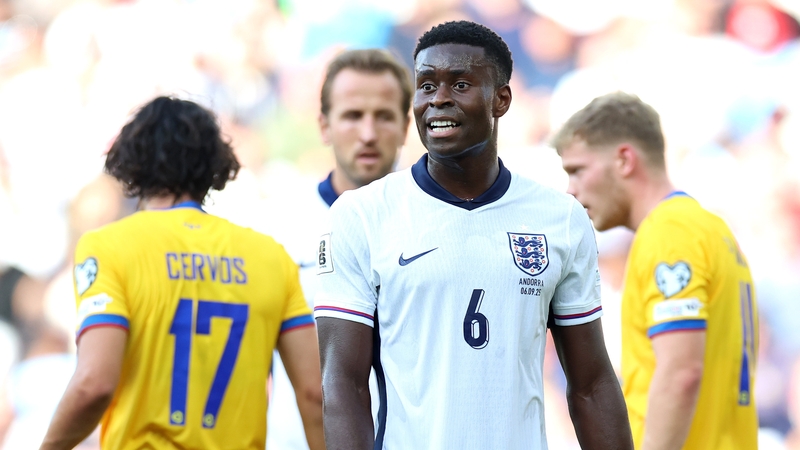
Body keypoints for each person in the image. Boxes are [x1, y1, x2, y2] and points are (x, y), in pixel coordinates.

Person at [314, 20, 633, 450]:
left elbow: (591, 384)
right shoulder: (361, 215)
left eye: (460, 84)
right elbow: (343, 386)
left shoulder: (559, 218)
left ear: (501, 99)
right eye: (427, 86)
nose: (438, 99)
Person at [39, 96, 325, 450]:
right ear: (214, 165)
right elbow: (315, 393)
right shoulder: (271, 257)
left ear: (131, 164)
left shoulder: (107, 247)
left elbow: (94, 384)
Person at [553, 91, 759, 449]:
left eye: (578, 170)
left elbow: (681, 373)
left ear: (624, 160)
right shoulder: (711, 228)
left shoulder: (668, 232)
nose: (571, 190)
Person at [264, 48, 411, 450]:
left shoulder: (436, 225)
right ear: (324, 126)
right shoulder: (276, 228)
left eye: (384, 116)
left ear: (406, 126)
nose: (368, 133)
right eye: (352, 115)